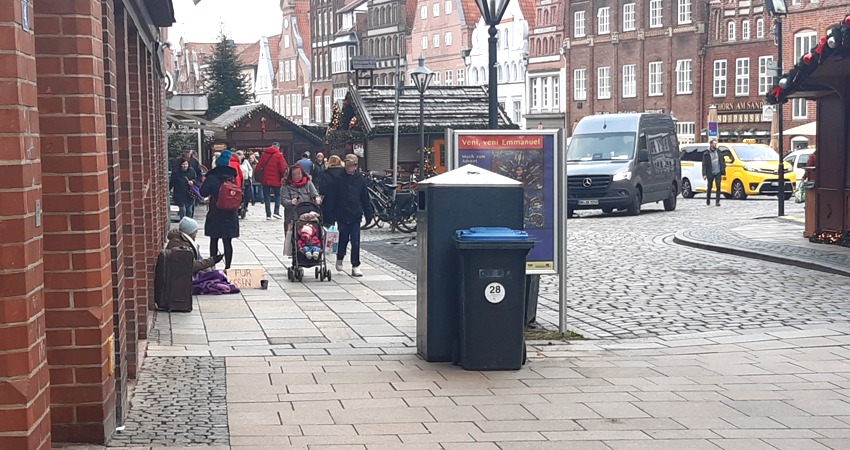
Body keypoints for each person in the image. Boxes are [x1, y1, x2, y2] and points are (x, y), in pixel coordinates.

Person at [333, 155, 373, 277]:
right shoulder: (339, 178)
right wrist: (331, 214)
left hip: (355, 214)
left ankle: (355, 265)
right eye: (348, 166)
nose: (350, 168)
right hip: (342, 214)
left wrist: (368, 213)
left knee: (355, 242)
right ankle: (340, 257)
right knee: (343, 239)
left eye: (352, 166)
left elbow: (364, 198)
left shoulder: (360, 179)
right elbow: (334, 198)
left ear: (356, 166)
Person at [200, 150, 240, 270]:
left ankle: (213, 266)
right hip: (230, 213)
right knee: (228, 242)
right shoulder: (232, 177)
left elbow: (203, 192)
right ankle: (228, 267)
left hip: (215, 212)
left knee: (214, 240)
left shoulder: (211, 177)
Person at [282, 162, 321, 233]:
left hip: (308, 217)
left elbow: (315, 195)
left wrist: (317, 199)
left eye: (299, 174)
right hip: (292, 217)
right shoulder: (286, 185)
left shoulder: (308, 183)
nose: (297, 176)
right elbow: (284, 201)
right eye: (294, 174)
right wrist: (291, 202)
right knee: (291, 239)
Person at [255, 142, 288, 220]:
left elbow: (258, 167)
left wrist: (257, 176)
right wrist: (284, 176)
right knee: (278, 195)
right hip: (276, 180)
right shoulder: (279, 155)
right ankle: (276, 212)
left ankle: (268, 214)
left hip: (265, 180)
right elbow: (283, 168)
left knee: (266, 196)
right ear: (278, 148)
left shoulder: (264, 155)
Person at [315, 155, 344, 225]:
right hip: (343, 202)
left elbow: (322, 190)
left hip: (329, 202)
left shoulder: (325, 174)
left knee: (329, 226)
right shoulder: (344, 174)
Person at [702, 139, 726, 207]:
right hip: (710, 172)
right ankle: (708, 199)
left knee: (718, 186)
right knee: (709, 186)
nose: (715, 145)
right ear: (711, 144)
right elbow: (704, 164)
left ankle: (717, 201)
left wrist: (723, 168)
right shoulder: (706, 153)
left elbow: (722, 160)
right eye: (714, 144)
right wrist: (704, 174)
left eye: (716, 143)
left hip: (718, 171)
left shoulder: (718, 152)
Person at [237, 150, 253, 218]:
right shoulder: (236, 162)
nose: (241, 156)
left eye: (241, 154)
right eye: (239, 154)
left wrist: (249, 176)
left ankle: (245, 206)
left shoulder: (246, 162)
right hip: (238, 181)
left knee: (247, 195)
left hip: (246, 180)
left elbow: (250, 169)